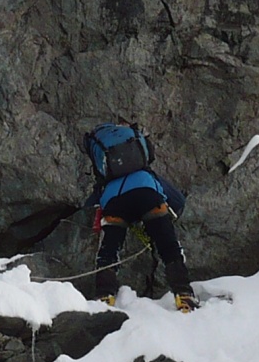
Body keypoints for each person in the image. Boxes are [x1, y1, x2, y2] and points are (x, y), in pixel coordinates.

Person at [83, 122, 196, 311]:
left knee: (109, 251)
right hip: (148, 196)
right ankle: (184, 294)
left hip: (114, 201)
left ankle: (104, 295)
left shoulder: (104, 183)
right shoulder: (147, 175)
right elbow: (178, 201)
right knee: (169, 247)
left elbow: (90, 205)